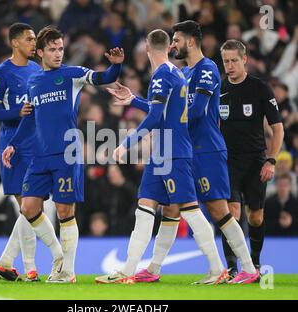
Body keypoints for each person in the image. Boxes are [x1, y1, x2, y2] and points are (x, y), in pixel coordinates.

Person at [107, 21, 259, 284]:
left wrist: (165, 127)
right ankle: (152, 269)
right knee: (170, 209)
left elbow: (196, 111)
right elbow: (168, 111)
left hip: (205, 149)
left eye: (176, 40)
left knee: (217, 210)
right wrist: (136, 101)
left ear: (190, 41)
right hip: (183, 147)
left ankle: (247, 267)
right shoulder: (183, 73)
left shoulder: (207, 69)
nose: (173, 44)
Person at [2, 26, 124, 283]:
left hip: (67, 153)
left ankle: (67, 270)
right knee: (28, 207)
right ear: (40, 53)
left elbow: (103, 78)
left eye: (61, 49)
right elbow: (30, 118)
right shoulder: (33, 81)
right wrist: (13, 143)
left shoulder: (72, 74)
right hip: (40, 155)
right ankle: (59, 256)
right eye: (53, 50)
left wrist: (116, 66)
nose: (58, 54)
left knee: (64, 211)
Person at [0, 23, 46, 282]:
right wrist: (15, 113)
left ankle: (5, 263)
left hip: (36, 142)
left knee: (32, 206)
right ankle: (30, 267)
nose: (34, 44)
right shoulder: (2, 73)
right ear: (15, 43)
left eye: (35, 39)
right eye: (30, 39)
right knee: (28, 206)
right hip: (14, 145)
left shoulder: (36, 69)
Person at [219, 39, 284, 274]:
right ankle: (232, 267)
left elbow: (278, 128)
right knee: (231, 214)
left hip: (256, 160)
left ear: (244, 59)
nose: (230, 66)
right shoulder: (219, 89)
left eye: (234, 60)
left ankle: (255, 262)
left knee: (255, 217)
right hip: (227, 161)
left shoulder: (260, 88)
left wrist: (271, 160)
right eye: (226, 61)